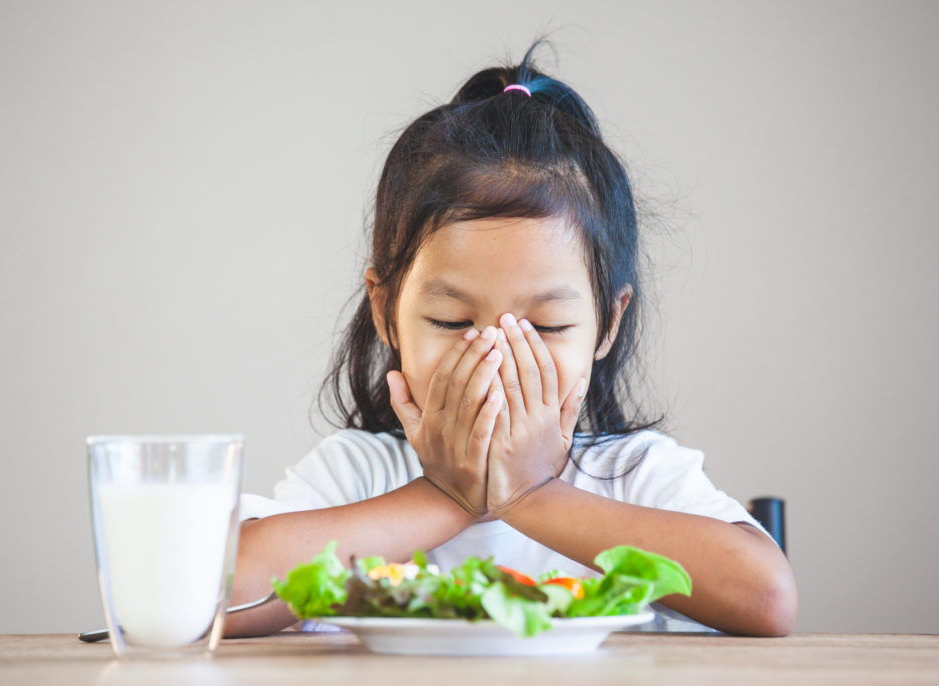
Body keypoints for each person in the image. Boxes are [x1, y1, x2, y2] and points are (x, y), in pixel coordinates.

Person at [226, 42, 798, 638]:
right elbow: (215, 595)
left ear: (608, 323)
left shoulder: (632, 474)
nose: (497, 358)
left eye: (547, 327)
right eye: (451, 321)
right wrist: (444, 494)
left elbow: (767, 597)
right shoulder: (360, 474)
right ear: (386, 310)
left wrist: (531, 494)